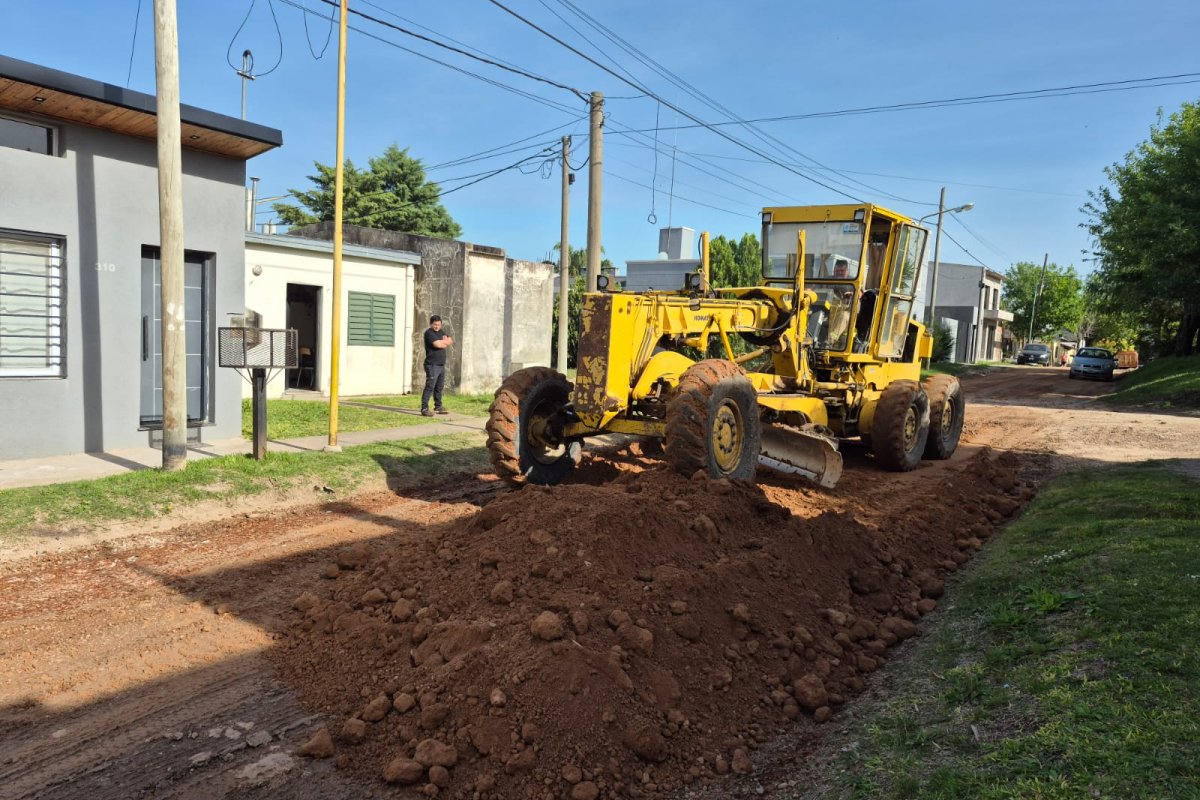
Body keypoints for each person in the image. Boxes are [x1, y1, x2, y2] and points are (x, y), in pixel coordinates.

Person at [421, 315, 453, 417]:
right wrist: (444, 342)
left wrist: (443, 342)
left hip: (441, 365)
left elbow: (450, 340)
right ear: (431, 324)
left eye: (439, 324)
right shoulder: (429, 333)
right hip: (432, 365)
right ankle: (424, 409)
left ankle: (438, 406)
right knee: (430, 386)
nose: (437, 326)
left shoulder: (441, 332)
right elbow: (438, 345)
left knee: (439, 387)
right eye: (435, 324)